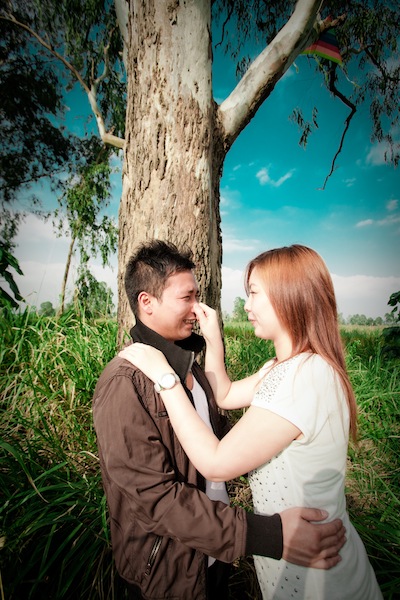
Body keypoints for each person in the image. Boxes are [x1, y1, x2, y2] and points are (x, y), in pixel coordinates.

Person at [119, 243, 383, 600]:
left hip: (321, 578)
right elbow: (225, 395)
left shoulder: (302, 378)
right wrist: (213, 339)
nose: (246, 305)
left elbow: (216, 463)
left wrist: (165, 378)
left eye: (254, 293)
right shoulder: (284, 369)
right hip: (296, 566)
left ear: (288, 297)